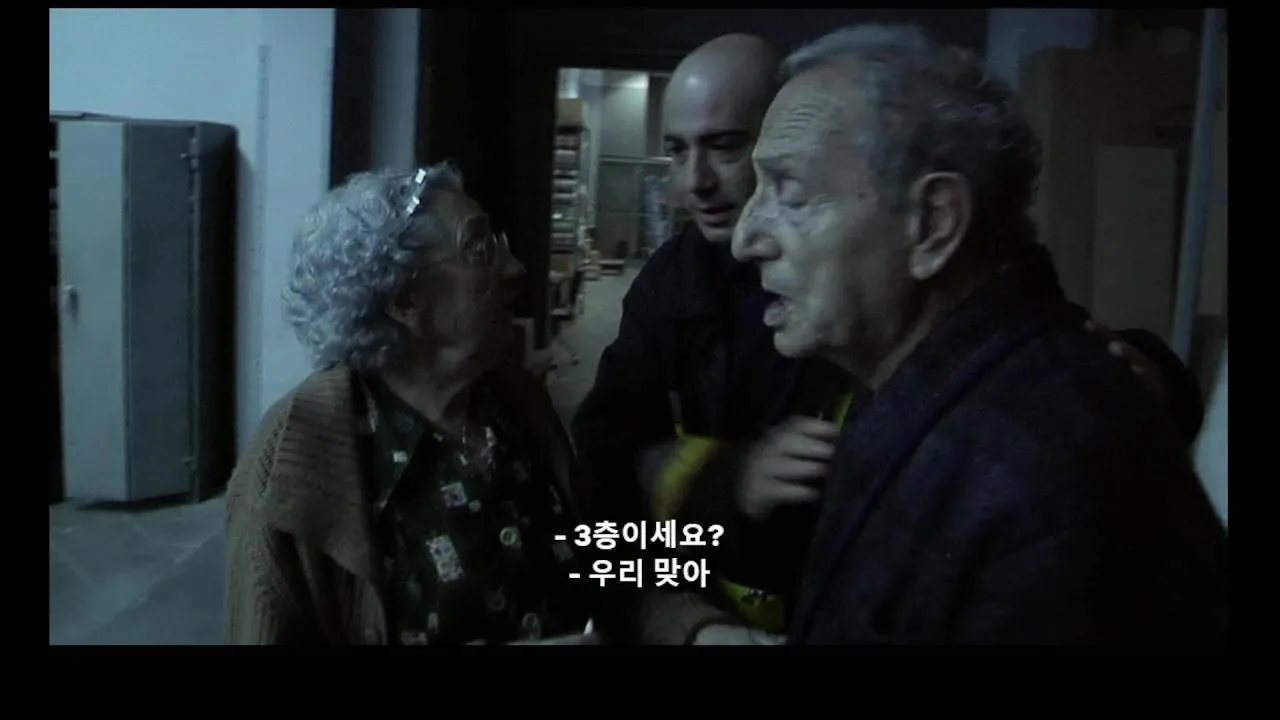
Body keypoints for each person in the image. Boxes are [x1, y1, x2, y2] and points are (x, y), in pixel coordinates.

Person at [572, 34, 1207, 644]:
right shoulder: (679, 288)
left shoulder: (1034, 468)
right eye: (676, 151)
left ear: (932, 221)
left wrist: (1149, 375)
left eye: (787, 188)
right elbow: (606, 488)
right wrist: (676, 592)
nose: (743, 235)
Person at [226, 164, 611, 644]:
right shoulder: (293, 455)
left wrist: (687, 620)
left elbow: (602, 559)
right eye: (480, 250)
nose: (515, 270)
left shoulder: (517, 398)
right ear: (407, 299)